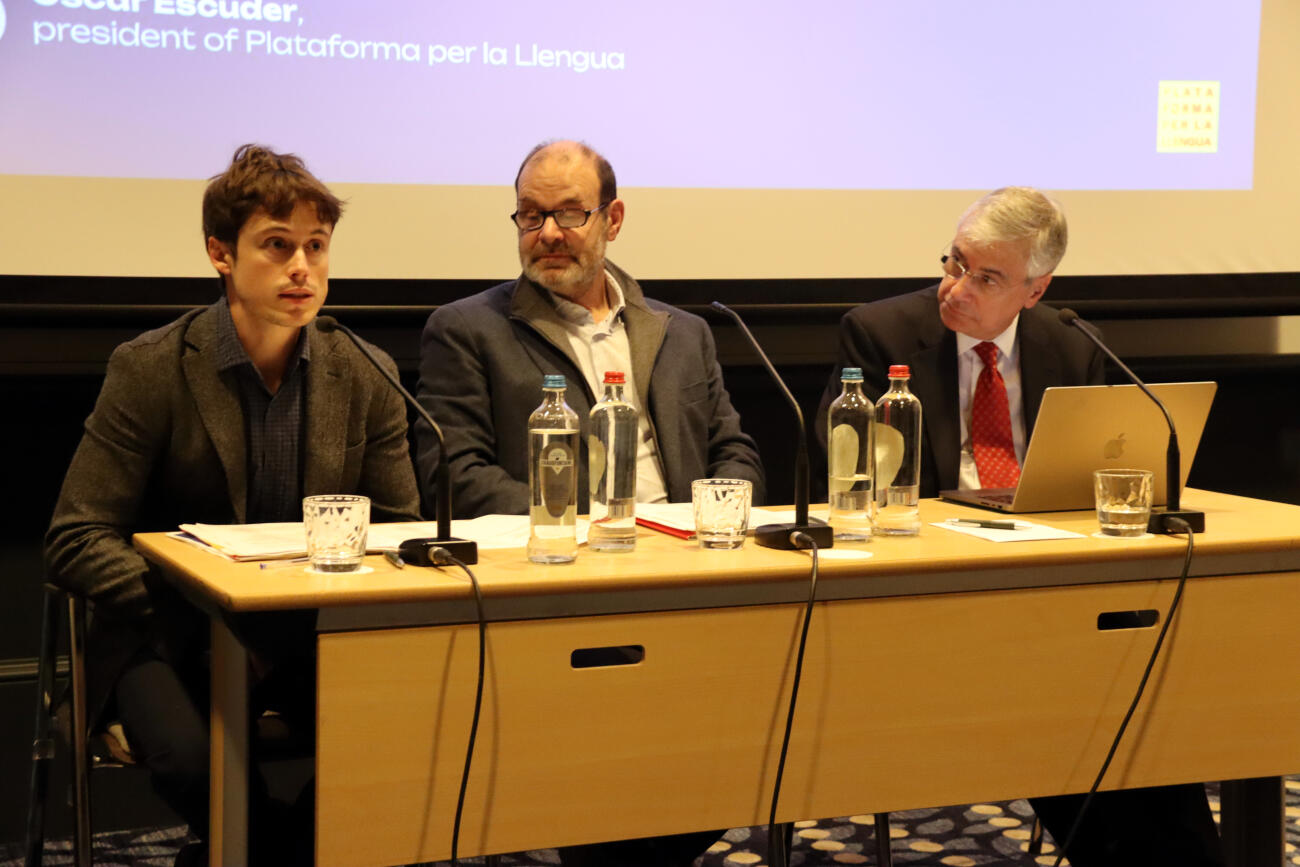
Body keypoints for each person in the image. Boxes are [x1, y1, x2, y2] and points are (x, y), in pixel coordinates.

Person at [820, 186, 1224, 867]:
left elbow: (1090, 475)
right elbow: (847, 474)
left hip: (1049, 582)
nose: (956, 287)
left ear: (1035, 291)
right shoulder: (879, 332)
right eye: (955, 263)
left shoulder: (1070, 344)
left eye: (987, 278)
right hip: (926, 581)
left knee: (1130, 704)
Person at [44, 144, 422, 867]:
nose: (302, 268)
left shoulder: (366, 370)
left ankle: (261, 850)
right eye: (276, 247)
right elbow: (76, 534)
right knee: (193, 761)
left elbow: (399, 529)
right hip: (171, 630)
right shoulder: (152, 367)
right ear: (221, 253)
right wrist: (203, 597)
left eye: (315, 246)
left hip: (313, 627)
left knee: (399, 735)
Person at [415, 139, 764, 865]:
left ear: (614, 218)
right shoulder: (469, 329)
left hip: (690, 568)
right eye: (530, 216)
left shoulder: (682, 331)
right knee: (618, 776)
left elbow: (736, 451)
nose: (546, 234)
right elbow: (454, 472)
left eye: (568, 215)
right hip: (560, 581)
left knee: (758, 735)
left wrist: (714, 518)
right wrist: (582, 526)